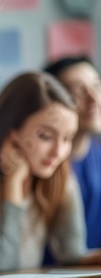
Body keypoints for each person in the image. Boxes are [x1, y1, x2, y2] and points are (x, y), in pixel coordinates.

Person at [0, 72, 101, 272]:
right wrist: (14, 185)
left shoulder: (55, 177)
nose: (59, 152)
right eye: (45, 136)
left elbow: (71, 253)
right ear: (11, 132)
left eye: (68, 138)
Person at [44, 56, 101, 249]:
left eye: (96, 86)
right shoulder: (42, 165)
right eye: (80, 90)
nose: (94, 99)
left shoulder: (98, 155)